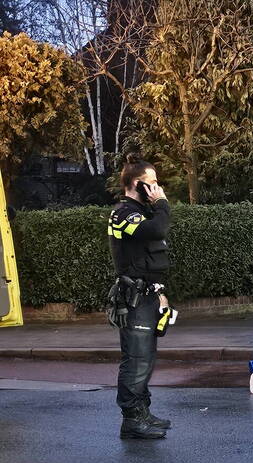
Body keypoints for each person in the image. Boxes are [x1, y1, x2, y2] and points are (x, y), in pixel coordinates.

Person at [107, 156, 172, 439]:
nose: (157, 188)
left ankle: (142, 412)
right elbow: (156, 230)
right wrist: (163, 204)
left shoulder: (140, 212)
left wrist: (160, 294)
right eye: (153, 182)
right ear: (137, 184)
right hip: (133, 299)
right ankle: (132, 420)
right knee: (136, 359)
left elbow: (149, 259)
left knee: (146, 358)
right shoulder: (123, 213)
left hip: (146, 295)